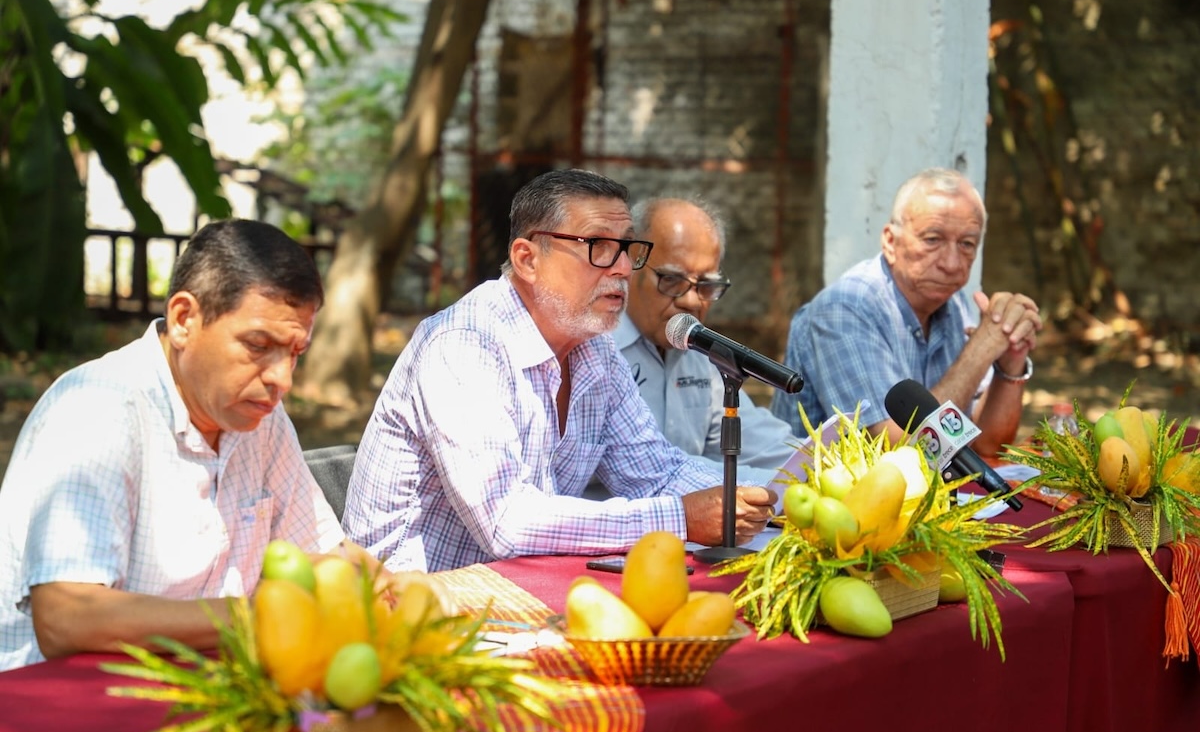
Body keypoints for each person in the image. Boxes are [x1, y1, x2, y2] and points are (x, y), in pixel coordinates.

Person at [343, 169, 777, 573]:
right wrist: (680, 518)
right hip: (409, 609)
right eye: (598, 247)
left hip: (519, 593)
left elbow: (656, 473)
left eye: (628, 248)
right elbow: (506, 522)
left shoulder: (595, 350)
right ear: (528, 259)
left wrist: (781, 499)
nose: (623, 268)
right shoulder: (464, 344)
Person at [0, 219, 349, 672]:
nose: (282, 379)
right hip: (52, 709)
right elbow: (66, 618)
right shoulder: (97, 410)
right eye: (259, 345)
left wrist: (383, 588)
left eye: (295, 353)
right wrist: (250, 618)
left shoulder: (261, 418)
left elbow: (321, 554)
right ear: (185, 319)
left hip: (196, 693)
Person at [770, 167, 1041, 458]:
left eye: (966, 244)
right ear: (890, 241)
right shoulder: (845, 309)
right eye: (932, 239)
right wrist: (980, 350)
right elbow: (901, 452)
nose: (951, 263)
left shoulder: (954, 303)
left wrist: (1010, 364)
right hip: (820, 498)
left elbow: (989, 446)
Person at [617, 196, 800, 488]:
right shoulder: (597, 351)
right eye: (671, 281)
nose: (691, 301)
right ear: (629, 266)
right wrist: (781, 486)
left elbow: (765, 443)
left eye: (706, 286)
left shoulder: (698, 354)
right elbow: (655, 467)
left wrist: (835, 466)